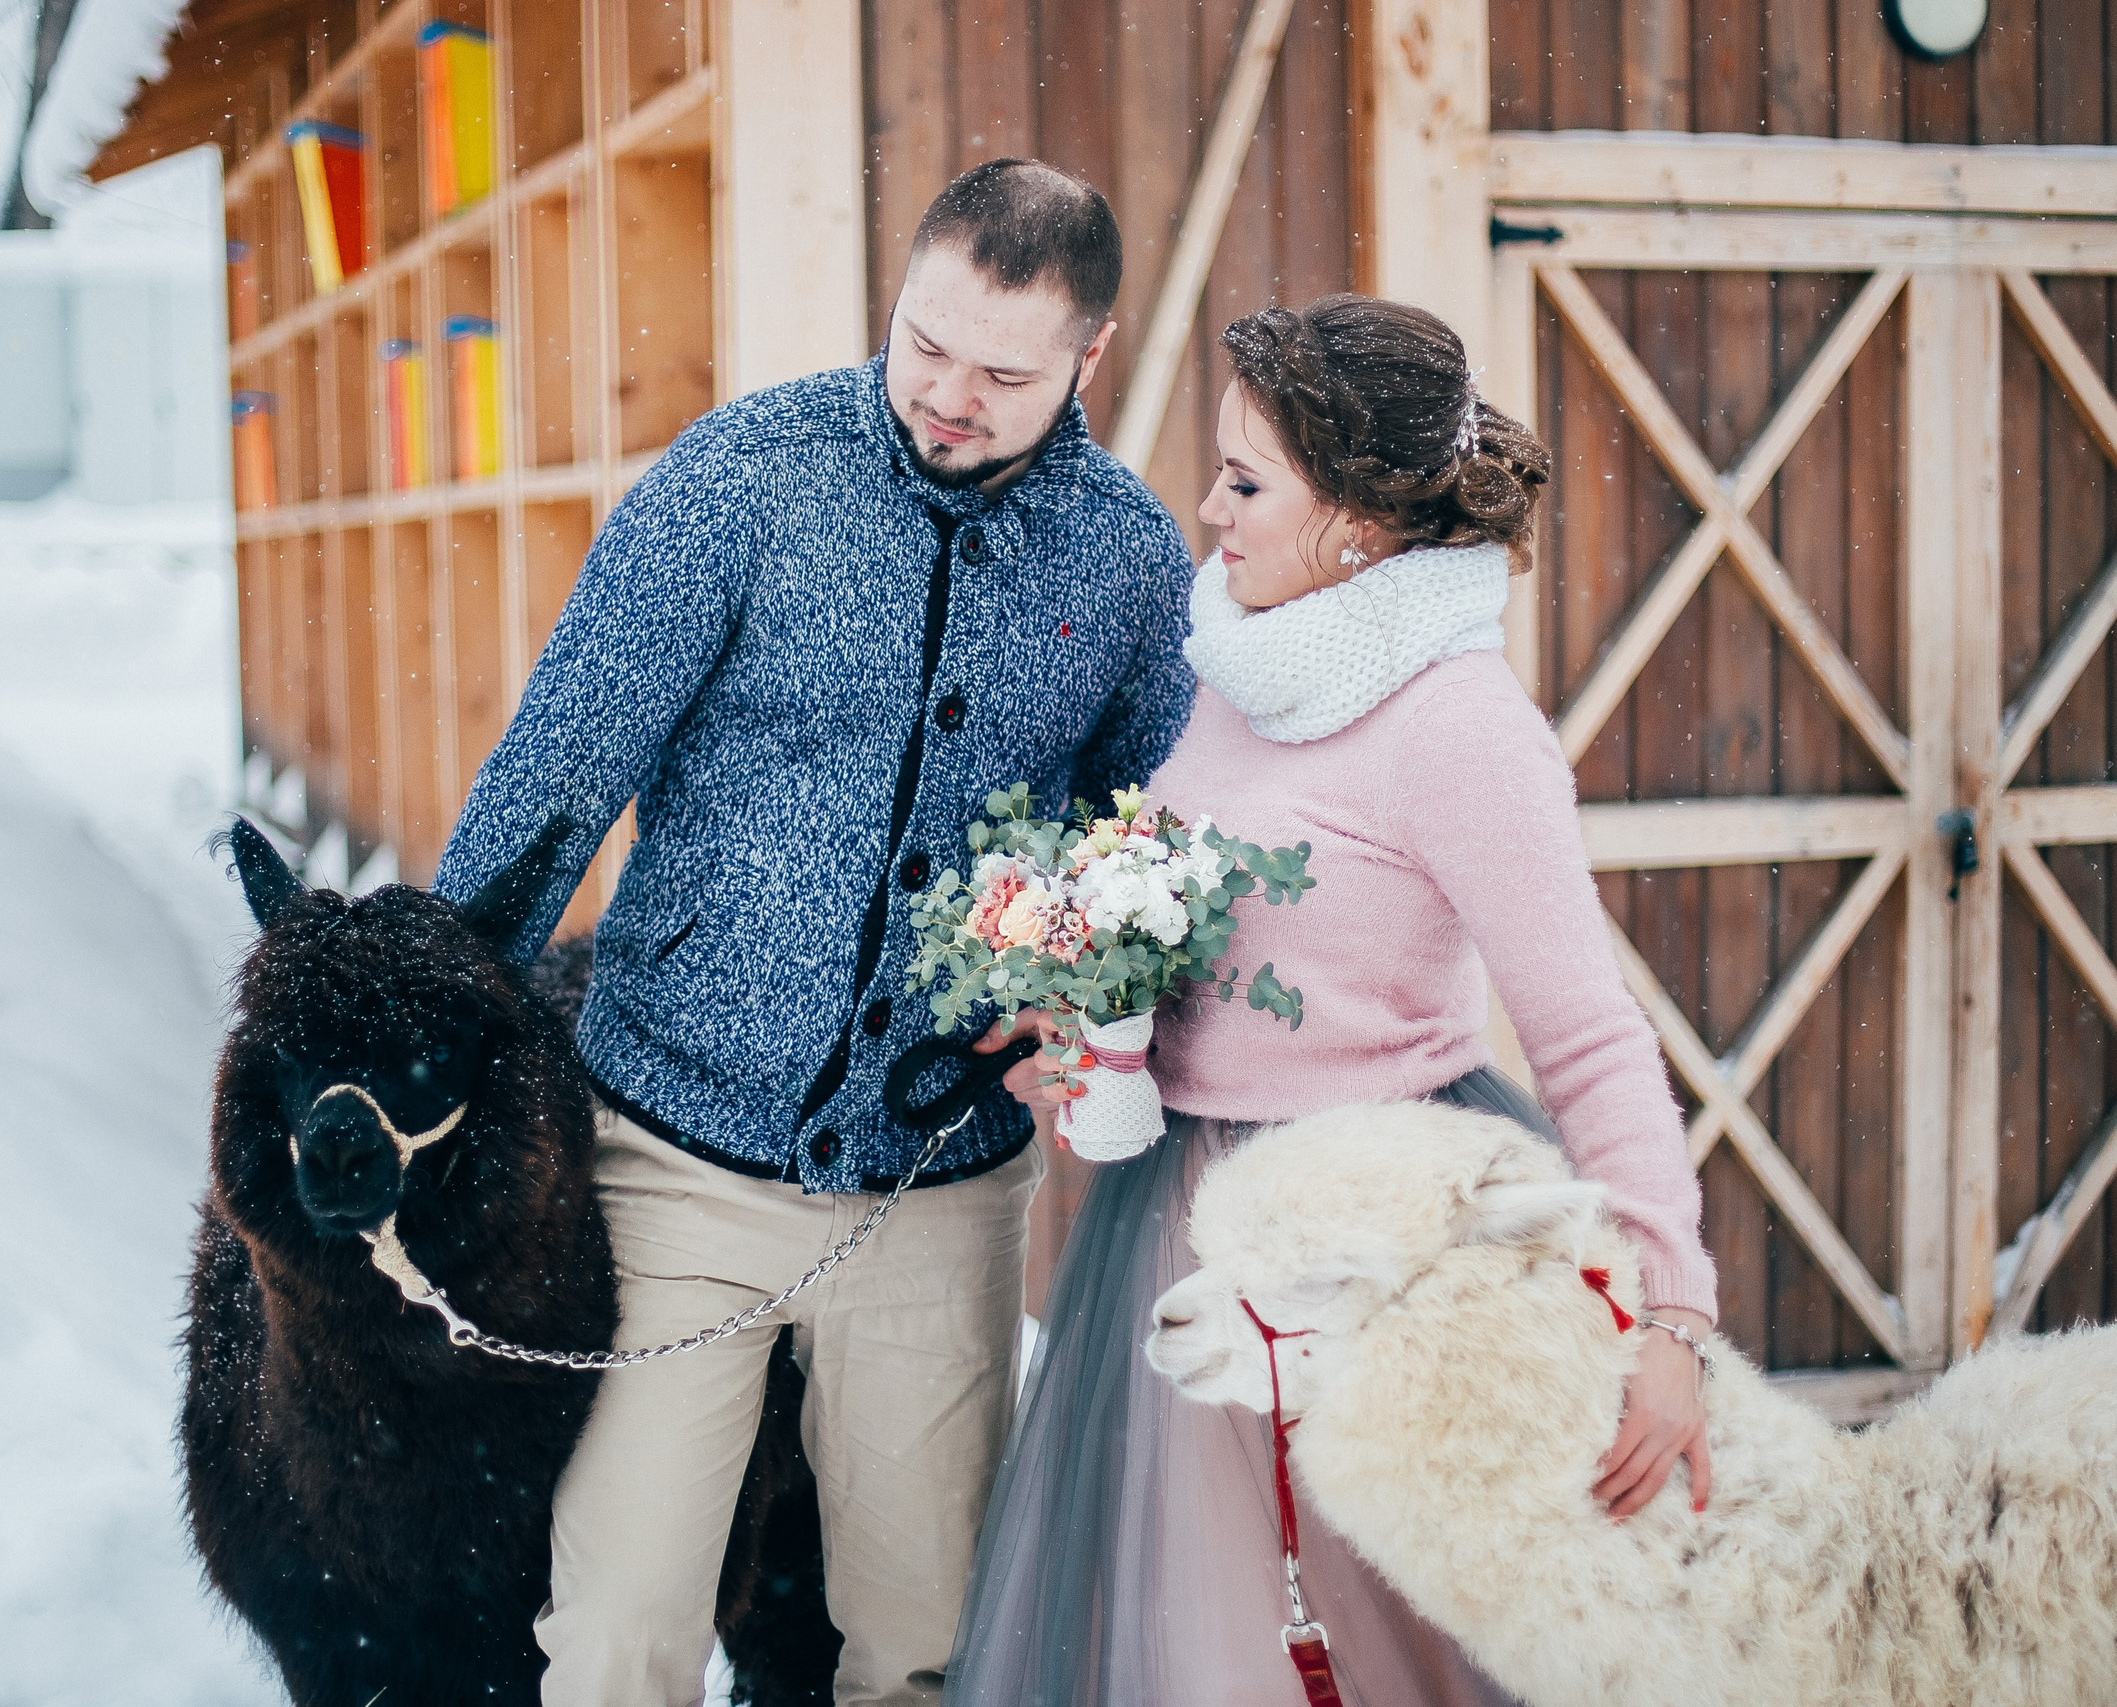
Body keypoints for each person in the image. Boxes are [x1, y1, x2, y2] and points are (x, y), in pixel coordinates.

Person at [431, 159, 1197, 1707]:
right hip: (672, 1166)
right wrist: (433, 1032)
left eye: (1003, 372)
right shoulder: (740, 481)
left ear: (1089, 359)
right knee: (618, 1639)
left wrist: (1094, 994)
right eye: (924, 343)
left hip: (935, 1183)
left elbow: (1151, 831)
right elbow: (561, 774)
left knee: (928, 1656)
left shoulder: (1123, 559)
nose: (948, 396)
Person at [948, 295, 1722, 1706]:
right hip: (1186, 1226)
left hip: (1379, 1259)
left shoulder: (1461, 728)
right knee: (1199, 1656)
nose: (1207, 506)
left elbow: (1588, 1033)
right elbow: (1207, 954)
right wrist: (1093, 1034)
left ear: (1358, 524)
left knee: (1401, 1650)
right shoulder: (1243, 667)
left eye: (1247, 483)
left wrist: (1665, 1316)